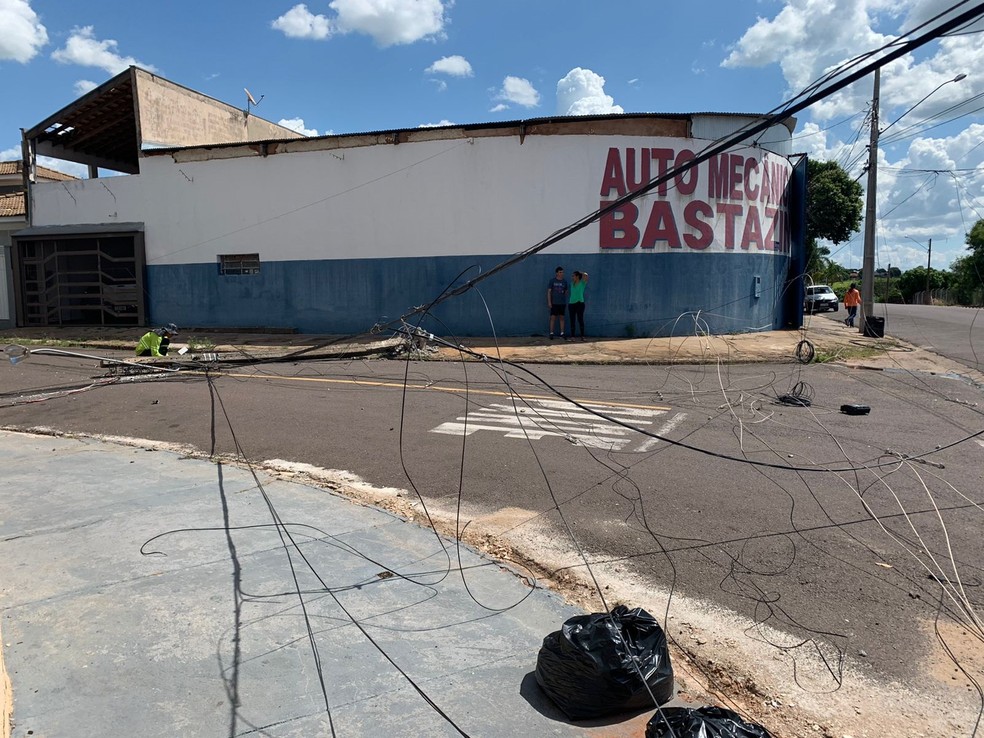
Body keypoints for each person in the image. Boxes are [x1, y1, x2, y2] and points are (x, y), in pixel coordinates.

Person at [547, 266, 569, 339]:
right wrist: (549, 302)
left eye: (562, 272)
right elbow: (549, 292)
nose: (562, 273)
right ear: (556, 273)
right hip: (554, 303)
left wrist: (565, 292)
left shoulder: (564, 281)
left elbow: (566, 292)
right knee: (553, 317)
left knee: (562, 318)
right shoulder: (552, 281)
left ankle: (562, 333)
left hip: (562, 303)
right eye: (560, 272)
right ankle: (551, 333)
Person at [568, 270, 589, 340]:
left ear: (577, 276)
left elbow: (586, 276)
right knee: (572, 320)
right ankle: (572, 336)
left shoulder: (582, 283)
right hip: (571, 304)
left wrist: (581, 273)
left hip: (580, 303)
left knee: (580, 319)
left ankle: (582, 336)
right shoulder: (571, 284)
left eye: (573, 276)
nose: (572, 277)